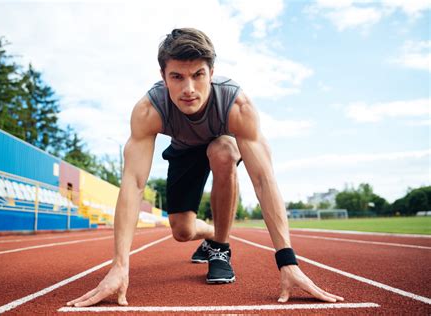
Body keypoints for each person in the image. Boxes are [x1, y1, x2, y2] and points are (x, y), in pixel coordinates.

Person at [67, 28, 344, 307]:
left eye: (198, 75)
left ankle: (220, 248)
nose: (188, 89)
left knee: (223, 151)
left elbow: (263, 179)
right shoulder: (149, 110)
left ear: (211, 73)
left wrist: (288, 262)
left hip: (220, 143)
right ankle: (211, 233)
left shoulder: (237, 105)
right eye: (177, 77)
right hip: (183, 150)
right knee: (182, 232)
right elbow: (134, 183)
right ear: (163, 77)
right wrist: (119, 265)